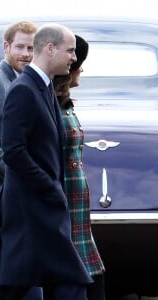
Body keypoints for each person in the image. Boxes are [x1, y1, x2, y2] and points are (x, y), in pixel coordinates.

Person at [0, 23, 92, 300]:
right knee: (71, 278)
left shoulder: (44, 88)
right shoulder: (23, 90)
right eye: (71, 51)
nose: (74, 58)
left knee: (8, 283)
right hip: (31, 207)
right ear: (50, 49)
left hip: (37, 206)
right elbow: (14, 152)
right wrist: (49, 187)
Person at [52, 35, 106, 300]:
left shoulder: (65, 103)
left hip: (78, 207)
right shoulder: (48, 102)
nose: (81, 68)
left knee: (92, 280)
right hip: (64, 200)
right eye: (77, 63)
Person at [0, 20, 38, 229]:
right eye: (20, 47)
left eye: (31, 48)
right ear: (6, 47)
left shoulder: (22, 80)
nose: (26, 54)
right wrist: (7, 170)